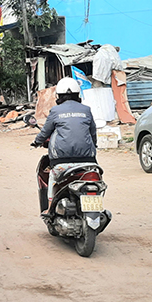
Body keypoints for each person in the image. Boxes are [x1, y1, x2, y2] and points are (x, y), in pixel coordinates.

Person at [31, 77, 97, 212]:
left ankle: (50, 208)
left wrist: (36, 142)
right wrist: (94, 145)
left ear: (58, 95)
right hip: (88, 161)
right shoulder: (86, 110)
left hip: (62, 161)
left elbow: (45, 131)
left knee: (52, 178)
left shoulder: (56, 111)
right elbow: (92, 133)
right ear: (78, 94)